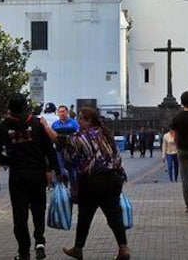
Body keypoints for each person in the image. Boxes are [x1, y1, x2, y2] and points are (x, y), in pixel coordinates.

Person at [45, 107, 130, 260]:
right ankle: (123, 248)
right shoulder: (104, 133)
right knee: (114, 215)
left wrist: (45, 126)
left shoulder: (83, 137)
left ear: (89, 121)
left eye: (81, 119)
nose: (78, 121)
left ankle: (78, 248)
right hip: (113, 179)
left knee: (85, 216)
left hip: (93, 181)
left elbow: (59, 140)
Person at [0, 95, 60, 260]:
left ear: (10, 108)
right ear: (26, 107)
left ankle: (23, 251)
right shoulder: (37, 124)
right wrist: (54, 168)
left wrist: (8, 161)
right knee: (38, 209)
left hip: (18, 176)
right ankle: (40, 241)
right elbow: (49, 149)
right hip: (37, 174)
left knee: (20, 214)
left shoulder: (3, 126)